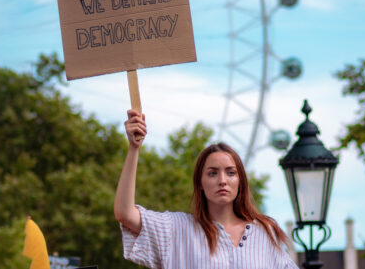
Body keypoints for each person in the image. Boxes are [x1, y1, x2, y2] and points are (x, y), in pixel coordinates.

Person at [114, 109, 299, 269]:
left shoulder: (265, 233)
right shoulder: (176, 229)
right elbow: (125, 213)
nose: (222, 180)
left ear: (240, 181)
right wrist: (133, 148)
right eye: (212, 173)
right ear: (200, 184)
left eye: (231, 173)